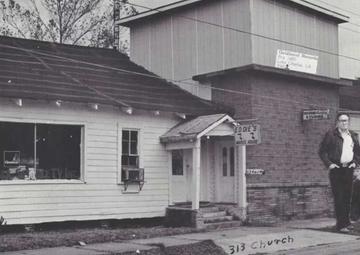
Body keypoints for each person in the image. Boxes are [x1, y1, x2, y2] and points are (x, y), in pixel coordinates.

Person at [319, 113, 360, 233]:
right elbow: (322, 152)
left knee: (347, 196)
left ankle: (346, 222)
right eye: (342, 121)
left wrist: (354, 162)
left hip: (348, 169)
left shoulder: (352, 135)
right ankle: (341, 225)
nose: (344, 123)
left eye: (346, 121)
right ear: (337, 122)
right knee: (339, 197)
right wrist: (329, 164)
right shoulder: (331, 135)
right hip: (336, 169)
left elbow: (357, 152)